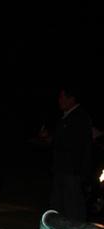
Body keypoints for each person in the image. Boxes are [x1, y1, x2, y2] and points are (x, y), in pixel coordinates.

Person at [48, 85, 93, 221]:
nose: (60, 100)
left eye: (62, 97)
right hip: (62, 171)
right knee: (59, 208)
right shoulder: (65, 118)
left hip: (72, 172)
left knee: (72, 209)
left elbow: (78, 146)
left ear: (71, 99)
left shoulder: (79, 117)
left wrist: (83, 174)